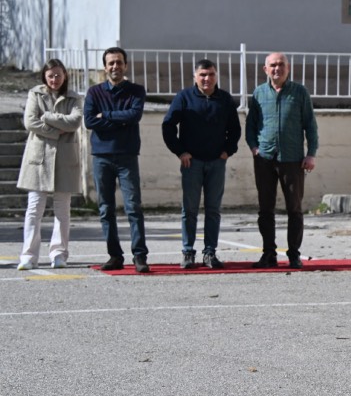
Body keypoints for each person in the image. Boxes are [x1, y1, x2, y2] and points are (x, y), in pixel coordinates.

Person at [161, 59, 241, 269]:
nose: (207, 79)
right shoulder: (184, 98)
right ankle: (188, 253)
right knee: (190, 209)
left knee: (213, 210)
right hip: (192, 163)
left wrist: (227, 151)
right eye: (203, 75)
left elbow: (235, 129)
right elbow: (168, 126)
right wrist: (181, 152)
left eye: (211, 74)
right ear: (195, 77)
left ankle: (210, 253)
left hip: (217, 162)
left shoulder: (224, 99)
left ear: (217, 76)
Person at [245, 52, 318, 269]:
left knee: (294, 208)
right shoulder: (259, 93)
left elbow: (310, 124)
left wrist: (311, 153)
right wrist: (254, 148)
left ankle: (294, 254)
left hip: (293, 159)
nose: (277, 69)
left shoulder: (299, 92)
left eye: (281, 65)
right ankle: (269, 254)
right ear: (265, 69)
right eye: (273, 65)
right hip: (265, 158)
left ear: (288, 68)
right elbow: (251, 124)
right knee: (265, 209)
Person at [84, 47, 149, 272]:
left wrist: (108, 115)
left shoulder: (136, 90)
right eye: (111, 63)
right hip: (101, 156)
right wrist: (120, 121)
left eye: (119, 62)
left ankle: (140, 256)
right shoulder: (94, 92)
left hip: (127, 155)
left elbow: (134, 115)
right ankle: (114, 255)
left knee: (133, 207)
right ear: (105, 67)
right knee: (105, 209)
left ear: (125, 65)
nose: (115, 67)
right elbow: (90, 121)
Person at [16, 59, 82, 271]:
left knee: (62, 210)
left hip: (65, 159)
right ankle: (28, 255)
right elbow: (30, 122)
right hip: (39, 158)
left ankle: (59, 254)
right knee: (34, 209)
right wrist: (56, 130)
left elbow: (75, 122)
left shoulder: (74, 97)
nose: (54, 80)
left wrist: (47, 117)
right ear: (44, 76)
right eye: (51, 75)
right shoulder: (35, 94)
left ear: (65, 76)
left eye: (58, 75)